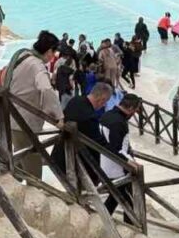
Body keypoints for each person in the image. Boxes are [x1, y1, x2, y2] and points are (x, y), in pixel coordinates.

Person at [3, 30, 62, 179]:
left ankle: (9, 190)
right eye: (54, 52)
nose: (54, 56)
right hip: (24, 121)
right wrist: (59, 117)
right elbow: (46, 89)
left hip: (10, 115)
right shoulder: (38, 66)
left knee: (18, 161)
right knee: (34, 170)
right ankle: (34, 199)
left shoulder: (22, 54)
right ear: (49, 51)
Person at [99, 92, 142, 223]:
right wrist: (130, 163)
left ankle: (102, 218)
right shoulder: (119, 122)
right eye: (135, 110)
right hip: (117, 168)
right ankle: (131, 227)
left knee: (115, 196)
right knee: (129, 200)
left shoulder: (106, 115)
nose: (134, 113)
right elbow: (115, 148)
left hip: (105, 164)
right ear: (130, 109)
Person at [60, 82, 113, 188]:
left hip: (61, 153)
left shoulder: (75, 100)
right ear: (101, 99)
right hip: (78, 164)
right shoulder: (89, 116)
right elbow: (97, 142)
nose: (104, 105)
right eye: (105, 102)